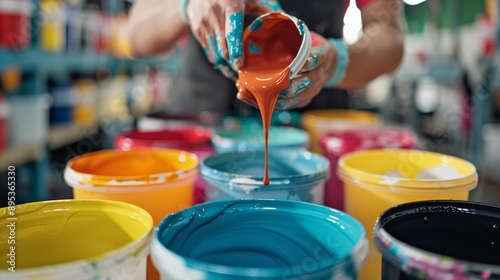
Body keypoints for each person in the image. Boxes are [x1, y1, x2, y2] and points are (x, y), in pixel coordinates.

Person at [126, 0, 404, 115]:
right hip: (204, 120)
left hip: (314, 123)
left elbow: (391, 40)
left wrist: (336, 62)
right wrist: (187, 5)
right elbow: (135, 35)